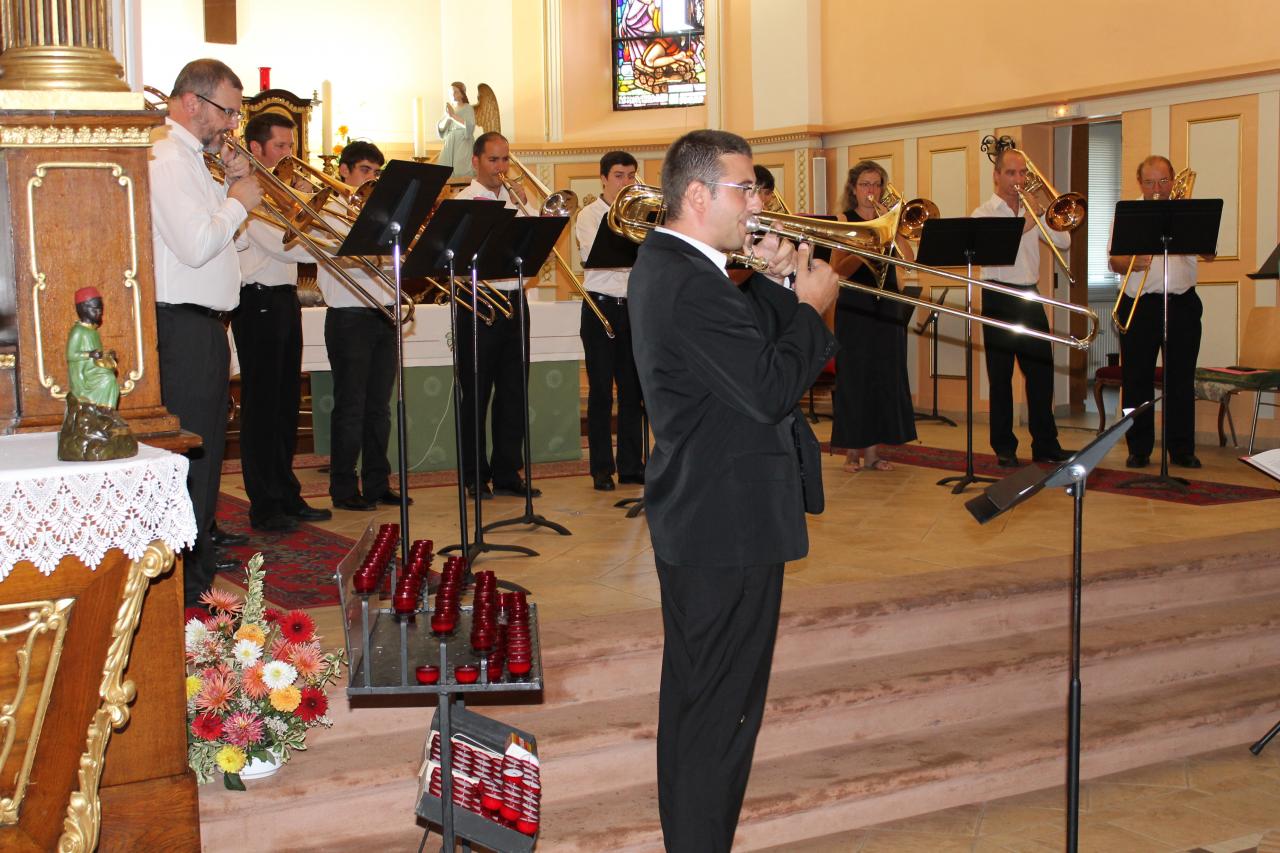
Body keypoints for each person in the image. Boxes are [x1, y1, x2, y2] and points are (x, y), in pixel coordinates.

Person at [628, 129, 838, 852]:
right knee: (716, 715)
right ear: (697, 195)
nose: (758, 205)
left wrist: (780, 284)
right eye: (744, 189)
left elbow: (746, 355)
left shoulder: (687, 268)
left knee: (711, 706)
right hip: (725, 520)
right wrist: (812, 307)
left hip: (719, 513)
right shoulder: (688, 279)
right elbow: (770, 388)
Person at [149, 58, 263, 607]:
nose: (232, 125)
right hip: (182, 325)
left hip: (204, 325)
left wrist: (230, 189)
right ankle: (187, 592)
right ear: (192, 102)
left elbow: (222, 248)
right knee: (191, 463)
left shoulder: (193, 158)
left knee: (207, 459)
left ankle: (197, 578)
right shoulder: (167, 157)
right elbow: (195, 246)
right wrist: (238, 200)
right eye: (228, 112)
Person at [231, 112, 332, 531]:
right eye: (281, 146)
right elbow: (287, 248)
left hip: (284, 300)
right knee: (262, 406)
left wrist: (302, 206)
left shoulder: (280, 192)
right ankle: (265, 504)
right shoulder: (246, 193)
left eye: (291, 146)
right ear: (256, 148)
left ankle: (286, 492)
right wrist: (304, 210)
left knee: (287, 402)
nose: (289, 154)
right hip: (256, 302)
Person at [315, 141, 409, 512]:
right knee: (350, 406)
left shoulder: (383, 213)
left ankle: (376, 482)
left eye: (376, 172)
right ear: (344, 170)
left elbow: (395, 263)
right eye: (365, 170)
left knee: (379, 408)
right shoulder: (329, 209)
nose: (371, 179)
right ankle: (343, 487)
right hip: (349, 315)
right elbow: (340, 259)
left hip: (384, 312)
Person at [971, 147, 1073, 468]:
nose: (1018, 179)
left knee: (1041, 373)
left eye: (1023, 173)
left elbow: (1064, 242)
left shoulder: (1033, 209)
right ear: (997, 176)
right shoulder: (983, 213)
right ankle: (1004, 447)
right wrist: (1027, 221)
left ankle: (1046, 444)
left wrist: (1043, 212)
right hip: (998, 296)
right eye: (1011, 173)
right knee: (1000, 376)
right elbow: (995, 251)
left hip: (1029, 296)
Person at [453, 131, 540, 499]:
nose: (501, 167)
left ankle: (507, 471)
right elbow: (456, 259)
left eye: (505, 159)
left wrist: (525, 206)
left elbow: (537, 244)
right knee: (475, 391)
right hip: (477, 300)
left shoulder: (517, 199)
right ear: (476, 161)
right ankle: (474, 475)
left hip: (515, 299)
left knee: (513, 390)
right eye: (493, 159)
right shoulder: (463, 202)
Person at [1108, 155, 1209, 469]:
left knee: (1181, 379)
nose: (1157, 189)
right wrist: (1131, 262)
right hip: (1140, 304)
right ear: (1140, 183)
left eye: (1163, 181)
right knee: (1135, 380)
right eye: (1150, 182)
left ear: (1173, 180)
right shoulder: (1128, 212)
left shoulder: (1186, 210)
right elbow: (1114, 261)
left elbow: (1208, 253)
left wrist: (1190, 221)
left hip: (1182, 303)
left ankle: (1181, 449)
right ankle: (1138, 448)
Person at [830, 161, 918, 472]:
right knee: (856, 377)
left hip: (887, 304)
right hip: (856, 305)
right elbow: (838, 270)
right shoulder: (845, 220)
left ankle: (874, 452)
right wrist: (865, 246)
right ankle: (852, 450)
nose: (872, 190)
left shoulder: (888, 221)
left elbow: (908, 260)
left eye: (877, 184)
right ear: (853, 189)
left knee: (884, 376)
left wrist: (892, 226)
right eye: (865, 184)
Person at [574, 150, 644, 491]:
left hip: (632, 307)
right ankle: (601, 468)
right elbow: (595, 258)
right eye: (618, 175)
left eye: (631, 175)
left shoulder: (641, 214)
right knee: (601, 391)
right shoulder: (589, 215)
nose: (625, 182)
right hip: (599, 306)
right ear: (603, 178)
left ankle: (631, 466)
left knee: (633, 390)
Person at [436, 81, 475, 179]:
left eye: (456, 92)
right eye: (451, 93)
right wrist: (448, 116)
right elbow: (441, 127)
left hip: (463, 141)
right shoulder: (450, 109)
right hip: (450, 140)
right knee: (445, 169)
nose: (453, 95)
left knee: (461, 167)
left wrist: (453, 116)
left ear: (462, 94)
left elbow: (469, 126)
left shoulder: (468, 108)